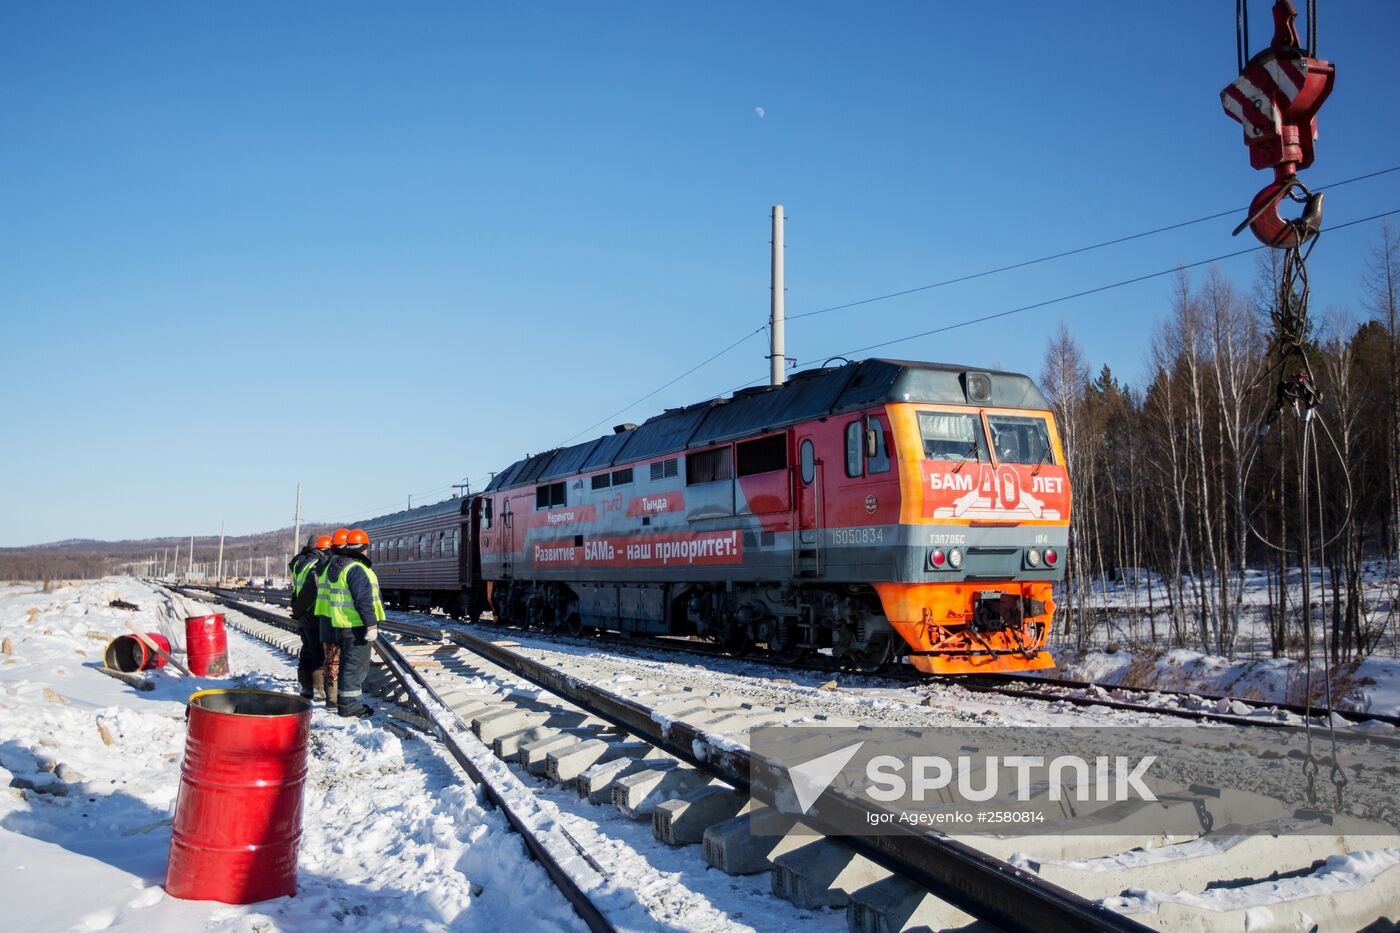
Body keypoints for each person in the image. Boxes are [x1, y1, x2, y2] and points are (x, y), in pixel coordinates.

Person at [317, 527, 384, 718]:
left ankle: (345, 703)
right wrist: (371, 625)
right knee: (355, 668)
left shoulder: (340, 566)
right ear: (364, 547)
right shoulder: (356, 568)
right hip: (356, 626)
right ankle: (350, 707)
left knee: (347, 665)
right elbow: (363, 600)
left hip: (341, 624)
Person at [289, 533, 331, 700]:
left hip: (304, 618)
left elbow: (296, 591)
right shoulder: (316, 565)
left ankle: (306, 689)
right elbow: (311, 590)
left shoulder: (302, 563)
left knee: (306, 653)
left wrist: (297, 611)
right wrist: (300, 610)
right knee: (318, 655)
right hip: (313, 615)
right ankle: (319, 691)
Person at [314, 528, 351, 709]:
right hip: (340, 618)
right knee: (343, 660)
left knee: (330, 660)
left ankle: (331, 698)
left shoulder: (324, 565)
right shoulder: (341, 565)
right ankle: (340, 700)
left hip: (325, 618)